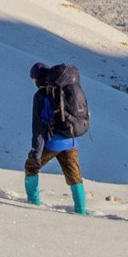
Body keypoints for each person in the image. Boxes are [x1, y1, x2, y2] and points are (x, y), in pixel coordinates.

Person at [24, 61, 90, 214]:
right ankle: (81, 210)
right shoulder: (65, 88)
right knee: (75, 176)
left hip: (53, 141)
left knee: (31, 167)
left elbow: (38, 128)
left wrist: (36, 152)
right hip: (71, 138)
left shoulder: (41, 95)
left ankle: (33, 203)